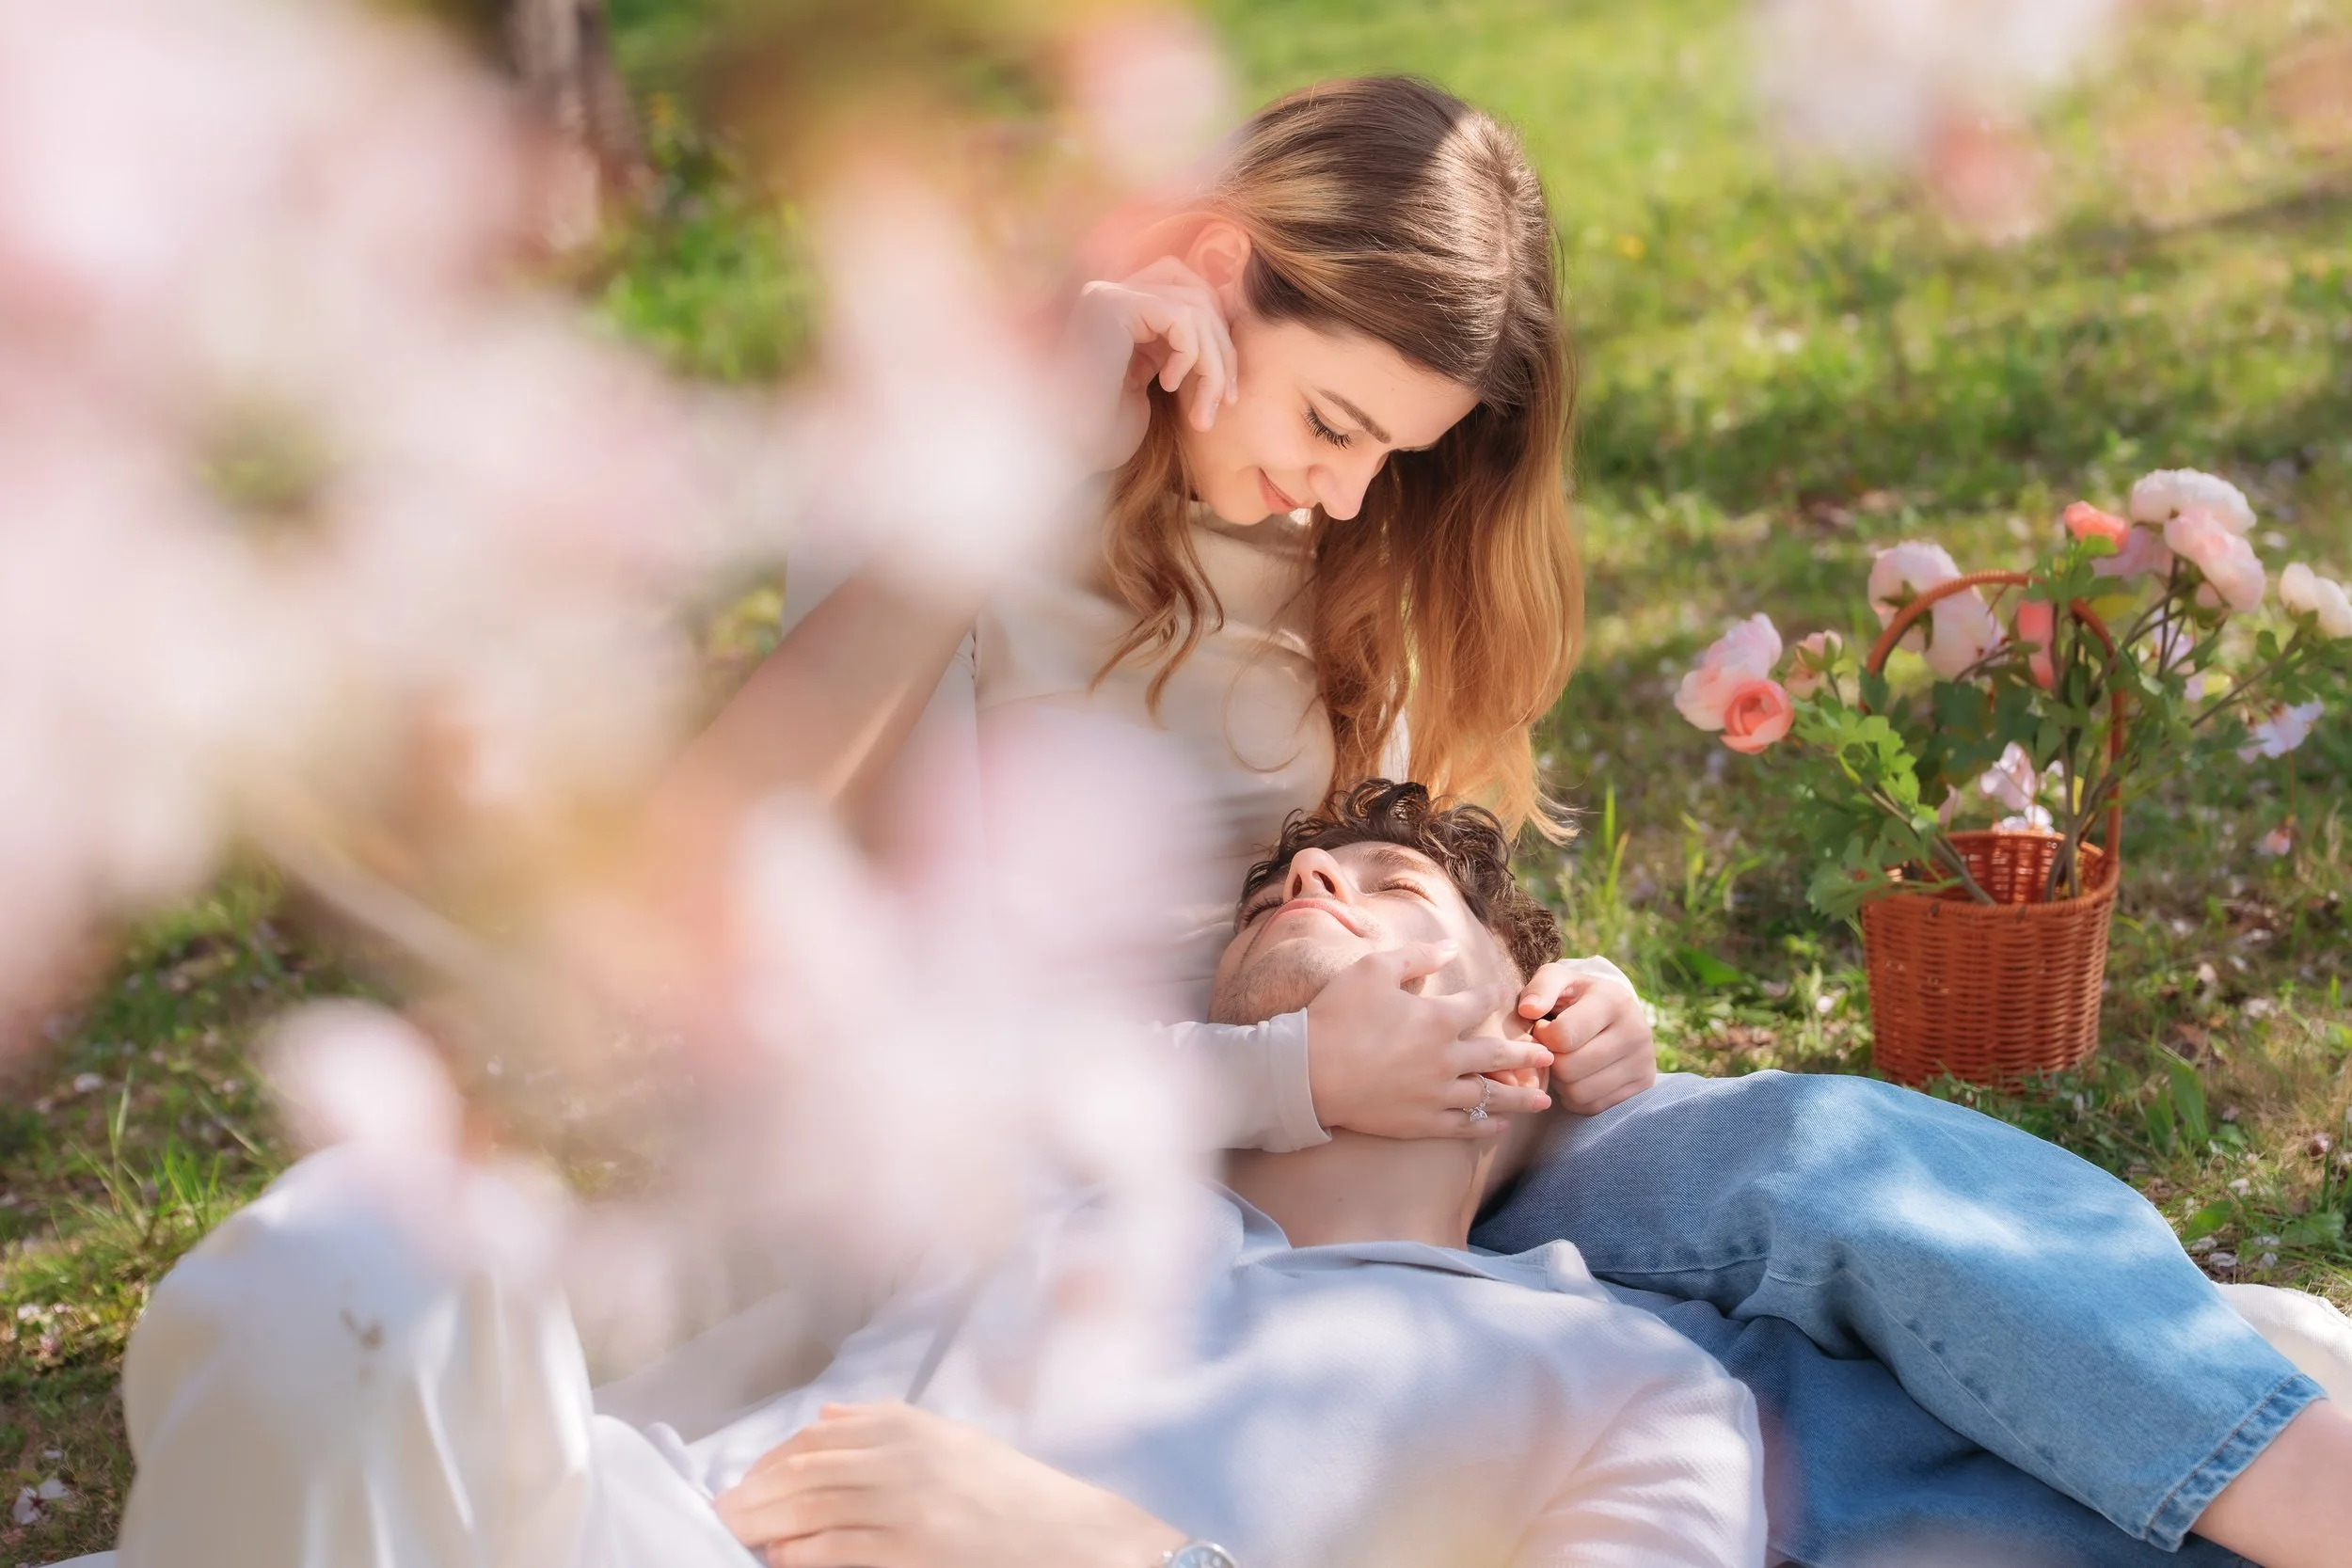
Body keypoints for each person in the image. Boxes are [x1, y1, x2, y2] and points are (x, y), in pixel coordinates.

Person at [651, 71, 2352, 1565]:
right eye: (1330, 421)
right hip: (1058, 1138)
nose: (1341, 491)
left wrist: (1550, 1009)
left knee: (1808, 1171)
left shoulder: (1355, 549)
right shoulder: (946, 478)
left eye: (1391, 452)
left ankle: (2286, 1485)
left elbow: (1393, 870)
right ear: (1216, 277)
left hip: (1345, 1115)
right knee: (1674, 1351)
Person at [99, 787, 1772, 1568]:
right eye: (1285, 883)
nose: (1311, 878)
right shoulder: (1046, 1170)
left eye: (1391, 882)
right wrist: (1275, 1074)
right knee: (358, 1249)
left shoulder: (1625, 1379)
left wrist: (1111, 1553)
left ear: (1533, 1027)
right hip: (628, 1531)